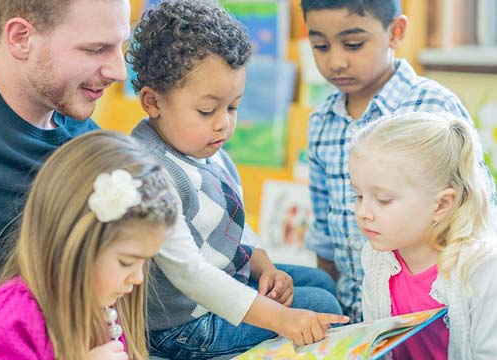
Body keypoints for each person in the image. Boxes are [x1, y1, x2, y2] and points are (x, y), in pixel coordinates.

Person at [128, 1, 349, 358]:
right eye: (206, 110)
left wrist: (265, 266)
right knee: (321, 301)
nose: (223, 124)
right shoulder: (148, 172)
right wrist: (281, 319)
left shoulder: (205, 147)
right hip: (183, 324)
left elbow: (234, 221)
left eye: (233, 107)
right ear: (153, 101)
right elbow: (192, 275)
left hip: (223, 286)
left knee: (321, 282)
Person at [0, 0, 130, 327]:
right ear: (21, 37)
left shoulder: (91, 147)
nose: (119, 72)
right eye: (96, 49)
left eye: (122, 45)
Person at [300, 0, 473, 322]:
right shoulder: (320, 121)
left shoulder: (433, 106)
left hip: (432, 311)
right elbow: (324, 228)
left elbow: (473, 211)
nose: (335, 61)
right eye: (320, 46)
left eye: (353, 44)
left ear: (396, 32)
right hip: (356, 310)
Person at [0, 130, 178, 360]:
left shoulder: (102, 305)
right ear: (76, 243)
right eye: (127, 262)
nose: (138, 278)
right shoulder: (6, 322)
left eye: (146, 261)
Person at [348, 112, 497, 359]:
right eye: (358, 196)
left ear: (440, 205)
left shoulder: (482, 267)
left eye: (383, 200)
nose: (363, 212)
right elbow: (374, 346)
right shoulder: (377, 258)